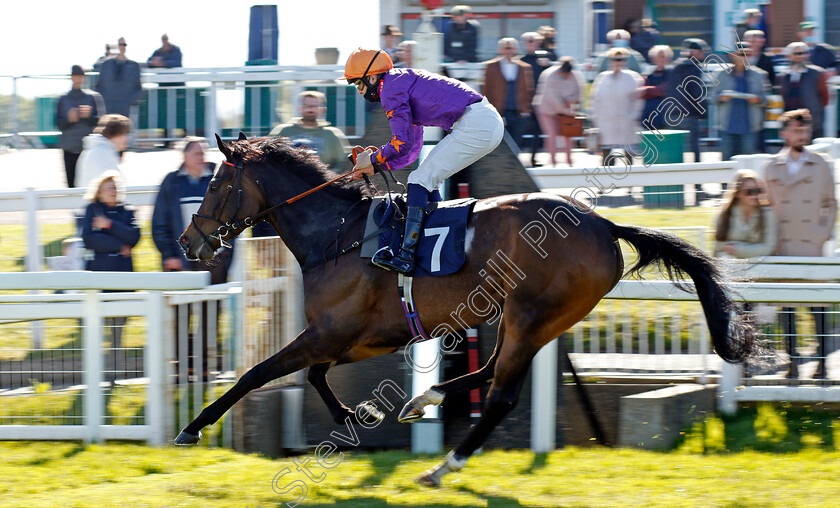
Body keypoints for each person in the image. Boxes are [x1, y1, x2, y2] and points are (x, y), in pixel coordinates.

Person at [344, 48, 504, 275]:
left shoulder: (390, 88)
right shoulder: (398, 82)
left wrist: (372, 158)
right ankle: (428, 244)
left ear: (371, 77)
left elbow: (400, 142)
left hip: (477, 123)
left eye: (358, 84)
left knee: (420, 179)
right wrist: (377, 165)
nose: (359, 92)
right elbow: (410, 150)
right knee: (425, 178)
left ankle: (407, 256)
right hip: (482, 121)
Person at [763, 109, 837, 379]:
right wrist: (771, 241)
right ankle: (793, 365)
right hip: (783, 248)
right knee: (789, 312)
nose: (801, 135)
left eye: (805, 130)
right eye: (796, 130)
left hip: (811, 247)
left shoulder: (821, 163)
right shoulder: (772, 167)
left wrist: (820, 235)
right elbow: (767, 208)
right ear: (784, 133)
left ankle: (822, 366)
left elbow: (830, 204)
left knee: (817, 310)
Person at [152, 137, 235, 285]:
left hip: (214, 260)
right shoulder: (172, 182)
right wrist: (169, 256)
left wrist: (227, 253)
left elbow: (232, 217)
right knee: (182, 306)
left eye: (203, 153)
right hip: (182, 261)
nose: (201, 157)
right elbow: (160, 223)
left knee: (212, 306)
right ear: (185, 155)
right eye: (196, 153)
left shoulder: (218, 181)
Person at [80, 170, 140, 349]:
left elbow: (134, 236)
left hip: (123, 274)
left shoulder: (127, 211)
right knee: (99, 321)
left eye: (115, 187)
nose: (113, 190)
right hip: (100, 273)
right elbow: (89, 239)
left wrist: (108, 225)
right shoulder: (93, 209)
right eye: (109, 188)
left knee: (119, 324)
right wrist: (120, 246)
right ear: (99, 191)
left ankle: (116, 360)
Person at [713, 42, 769, 160]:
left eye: (748, 55)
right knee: (726, 161)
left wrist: (757, 99)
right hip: (727, 125)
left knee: (747, 161)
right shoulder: (721, 74)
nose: (745, 58)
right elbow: (712, 98)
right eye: (741, 54)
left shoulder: (758, 75)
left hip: (749, 126)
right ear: (733, 55)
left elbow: (765, 99)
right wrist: (721, 98)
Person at [269, 90, 351, 171]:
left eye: (314, 106)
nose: (310, 109)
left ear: (322, 109)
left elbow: (342, 162)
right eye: (306, 106)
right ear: (300, 108)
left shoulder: (332, 134)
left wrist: (331, 176)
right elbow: (268, 155)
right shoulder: (283, 131)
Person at [589, 48, 643, 166]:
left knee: (628, 153)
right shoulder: (602, 78)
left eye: (621, 59)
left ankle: (629, 181)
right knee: (607, 154)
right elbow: (595, 99)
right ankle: (607, 181)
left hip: (626, 121)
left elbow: (638, 99)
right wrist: (596, 117)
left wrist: (633, 115)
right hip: (606, 122)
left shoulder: (633, 77)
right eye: (615, 59)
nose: (618, 62)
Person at [56, 65, 106, 188]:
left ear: (84, 78)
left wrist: (89, 117)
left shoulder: (93, 97)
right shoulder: (63, 99)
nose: (78, 79)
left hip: (89, 148)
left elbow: (102, 122)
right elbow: (58, 124)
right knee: (71, 184)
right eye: (75, 76)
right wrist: (70, 119)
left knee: (91, 183)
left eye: (80, 76)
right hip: (69, 147)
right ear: (71, 78)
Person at [482, 38, 534, 151]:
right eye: (506, 48)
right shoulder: (491, 66)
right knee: (500, 139)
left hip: (518, 110)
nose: (509, 51)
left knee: (517, 139)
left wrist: (526, 110)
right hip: (499, 109)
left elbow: (527, 89)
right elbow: (487, 89)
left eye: (511, 48)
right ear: (500, 49)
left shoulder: (523, 67)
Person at [533, 57, 584, 167]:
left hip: (566, 111)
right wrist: (565, 108)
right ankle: (553, 161)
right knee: (552, 135)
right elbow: (551, 97)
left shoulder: (575, 75)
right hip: (547, 109)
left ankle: (569, 160)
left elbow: (579, 91)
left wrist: (571, 101)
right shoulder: (550, 75)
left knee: (568, 135)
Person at [714, 169, 777, 259]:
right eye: (749, 192)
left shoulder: (768, 214)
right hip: (730, 265)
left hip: (760, 264)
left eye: (757, 190)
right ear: (737, 193)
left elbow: (768, 248)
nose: (755, 195)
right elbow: (719, 247)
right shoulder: (725, 214)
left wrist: (737, 249)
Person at [669, 38, 710, 164]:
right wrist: (704, 112)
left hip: (672, 114)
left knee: (675, 150)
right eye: (702, 52)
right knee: (694, 148)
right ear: (696, 52)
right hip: (689, 115)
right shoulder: (694, 68)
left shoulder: (675, 66)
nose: (703, 55)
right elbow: (696, 94)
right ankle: (697, 181)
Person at [779, 42, 829, 139]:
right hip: (791, 122)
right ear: (789, 56)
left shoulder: (817, 73)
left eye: (805, 53)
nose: (802, 56)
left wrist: (815, 110)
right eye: (798, 53)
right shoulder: (783, 76)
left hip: (812, 121)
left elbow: (825, 97)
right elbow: (783, 96)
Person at [520, 32, 553, 166]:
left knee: (537, 131)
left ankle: (533, 158)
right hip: (524, 101)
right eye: (530, 41)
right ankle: (517, 158)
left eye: (536, 41)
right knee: (520, 129)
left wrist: (548, 64)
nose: (533, 43)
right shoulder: (521, 60)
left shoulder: (546, 58)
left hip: (540, 100)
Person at [76, 114, 131, 188]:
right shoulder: (102, 153)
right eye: (125, 134)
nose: (127, 139)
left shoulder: (98, 150)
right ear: (117, 134)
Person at [95, 37, 142, 117]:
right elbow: (99, 86)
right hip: (108, 108)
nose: (122, 47)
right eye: (120, 44)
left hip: (126, 109)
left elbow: (138, 89)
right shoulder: (105, 65)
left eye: (124, 45)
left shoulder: (134, 66)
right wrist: (105, 101)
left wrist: (129, 101)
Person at [640, 45, 673, 129]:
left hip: (665, 116)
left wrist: (648, 90)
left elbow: (666, 89)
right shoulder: (649, 74)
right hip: (649, 115)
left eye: (664, 56)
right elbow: (641, 93)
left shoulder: (672, 73)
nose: (661, 59)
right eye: (659, 56)